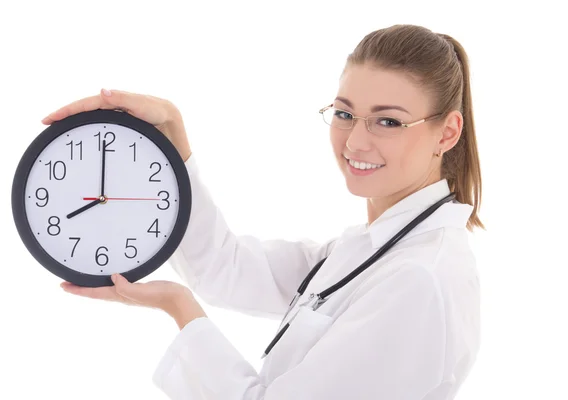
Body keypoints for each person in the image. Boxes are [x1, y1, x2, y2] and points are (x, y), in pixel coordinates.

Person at [48, 24, 483, 400]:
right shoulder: (369, 247)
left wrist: (179, 306)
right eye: (345, 113)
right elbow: (227, 268)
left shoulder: (419, 279)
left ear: (446, 133)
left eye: (387, 121)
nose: (353, 143)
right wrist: (173, 143)